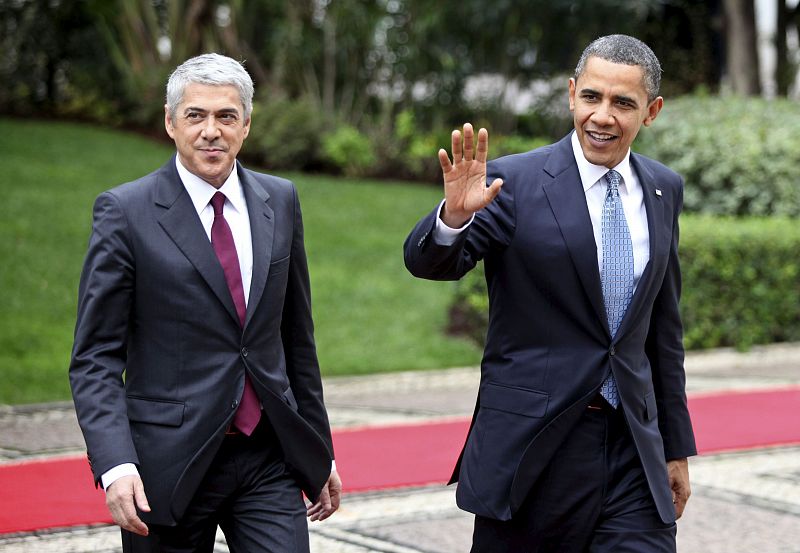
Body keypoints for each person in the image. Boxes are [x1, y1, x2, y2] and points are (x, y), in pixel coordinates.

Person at [404, 34, 695, 552]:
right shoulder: (511, 182)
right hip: (535, 448)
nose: (602, 116)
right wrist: (453, 218)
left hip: (632, 449)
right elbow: (433, 263)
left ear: (651, 111)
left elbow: (662, 333)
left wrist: (675, 448)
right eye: (592, 97)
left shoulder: (663, 188)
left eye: (622, 103)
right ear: (571, 94)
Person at [69, 53, 341, 553]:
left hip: (267, 459)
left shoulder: (280, 199)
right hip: (167, 467)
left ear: (247, 125)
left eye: (226, 116)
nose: (211, 131)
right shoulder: (125, 212)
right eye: (195, 115)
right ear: (170, 123)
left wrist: (318, 451)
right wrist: (114, 464)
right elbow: (94, 359)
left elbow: (296, 338)